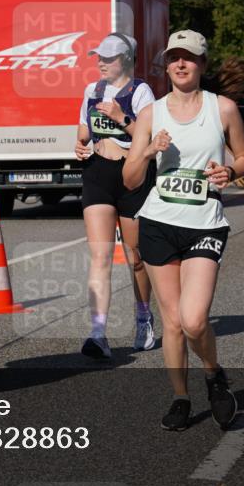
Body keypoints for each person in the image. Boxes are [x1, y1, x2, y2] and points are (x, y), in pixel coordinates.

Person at [123, 30, 244, 431]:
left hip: (205, 224)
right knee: (173, 322)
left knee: (194, 318)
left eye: (189, 58)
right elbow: (129, 181)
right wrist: (146, 151)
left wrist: (229, 170)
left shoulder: (224, 108)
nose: (181, 64)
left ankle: (213, 373)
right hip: (159, 223)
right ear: (167, 65)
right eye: (174, 58)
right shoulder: (151, 114)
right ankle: (180, 397)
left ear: (202, 64)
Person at [74, 33, 157, 358]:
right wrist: (80, 146)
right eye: (99, 57)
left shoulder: (140, 91)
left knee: (136, 258)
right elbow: (83, 130)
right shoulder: (91, 90)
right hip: (97, 176)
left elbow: (147, 134)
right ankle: (98, 333)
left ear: (125, 60)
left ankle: (143, 316)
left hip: (132, 177)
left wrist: (121, 119)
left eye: (108, 58)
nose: (101, 63)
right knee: (101, 256)